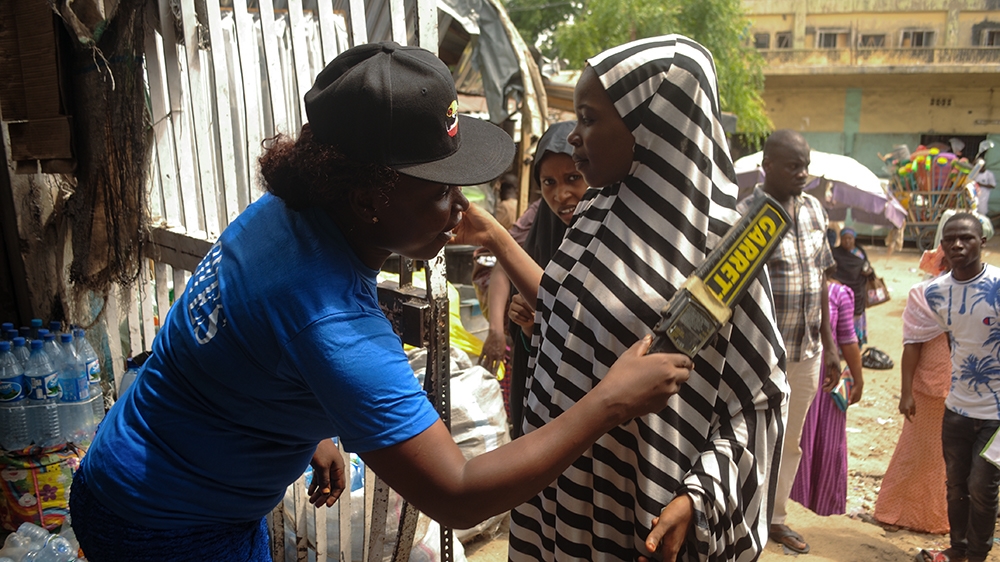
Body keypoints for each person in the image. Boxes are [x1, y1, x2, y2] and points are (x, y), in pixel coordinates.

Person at [68, 41, 695, 561]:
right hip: (165, 529)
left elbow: (237, 342)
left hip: (131, 469)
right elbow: (456, 490)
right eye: (441, 191)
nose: (460, 207)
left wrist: (311, 426)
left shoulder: (287, 215)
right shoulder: (332, 315)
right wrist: (608, 401)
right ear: (369, 197)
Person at [456, 35, 786, 561]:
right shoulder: (592, 217)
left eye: (588, 119)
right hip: (557, 492)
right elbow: (575, 314)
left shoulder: (726, 245)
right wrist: (495, 238)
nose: (576, 138)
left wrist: (698, 497)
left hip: (643, 500)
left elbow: (760, 398)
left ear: (651, 122)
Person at [738, 129, 840, 555]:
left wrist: (831, 346)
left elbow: (821, 280)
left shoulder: (816, 210)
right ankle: (742, 518)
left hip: (808, 352)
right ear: (767, 166)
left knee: (790, 441)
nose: (803, 174)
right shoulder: (745, 214)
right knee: (750, 438)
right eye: (793, 166)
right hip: (760, 355)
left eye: (806, 165)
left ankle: (775, 519)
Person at [478, 120, 587, 436]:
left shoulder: (608, 236)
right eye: (549, 182)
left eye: (573, 178)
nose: (561, 193)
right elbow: (507, 267)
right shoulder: (540, 228)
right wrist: (525, 326)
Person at [916, 212, 1000, 562]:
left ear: (983, 242)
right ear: (942, 245)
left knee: (982, 485)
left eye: (966, 238)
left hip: (997, 414)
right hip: (958, 410)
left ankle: (978, 555)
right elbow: (955, 339)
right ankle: (957, 548)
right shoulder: (935, 293)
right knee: (956, 487)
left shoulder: (998, 284)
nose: (957, 244)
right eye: (950, 238)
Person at [873, 247, 951, 535]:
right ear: (942, 262)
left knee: (950, 455)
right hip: (930, 388)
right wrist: (906, 392)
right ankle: (904, 512)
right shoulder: (926, 294)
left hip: (968, 390)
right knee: (924, 452)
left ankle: (937, 515)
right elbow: (912, 346)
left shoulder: (982, 293)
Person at [789, 271, 864, 516]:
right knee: (796, 438)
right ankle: (789, 504)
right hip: (797, 373)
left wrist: (858, 377)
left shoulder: (839, 294)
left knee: (825, 441)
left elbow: (847, 338)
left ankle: (822, 508)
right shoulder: (786, 284)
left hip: (826, 377)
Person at [831, 227, 873, 344]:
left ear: (854, 239)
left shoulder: (860, 252)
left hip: (858, 291)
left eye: (850, 238)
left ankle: (856, 341)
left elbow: (867, 266)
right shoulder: (835, 253)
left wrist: (868, 271)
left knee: (857, 315)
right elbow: (831, 271)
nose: (847, 241)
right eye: (844, 239)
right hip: (842, 292)